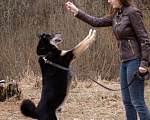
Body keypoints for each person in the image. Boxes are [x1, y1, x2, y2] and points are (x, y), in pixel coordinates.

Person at [65, 0, 150, 120]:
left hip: (135, 61)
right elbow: (95, 21)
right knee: (127, 101)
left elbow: (144, 39)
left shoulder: (133, 13)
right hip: (124, 63)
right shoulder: (116, 15)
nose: (109, 1)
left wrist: (144, 63)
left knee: (137, 102)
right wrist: (77, 11)